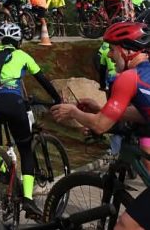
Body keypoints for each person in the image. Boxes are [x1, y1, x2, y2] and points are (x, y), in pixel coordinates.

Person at [52, 22, 150, 230]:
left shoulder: (129, 78)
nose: (110, 56)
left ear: (125, 51)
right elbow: (142, 113)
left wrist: (73, 112)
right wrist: (102, 109)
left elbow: (99, 126)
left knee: (126, 225)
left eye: (112, 50)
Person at [0, 23, 62, 218]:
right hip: (13, 103)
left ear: (1, 40)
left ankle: (2, 170)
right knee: (25, 148)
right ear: (18, 41)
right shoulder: (22, 55)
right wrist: (56, 99)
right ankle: (28, 199)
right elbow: (42, 79)